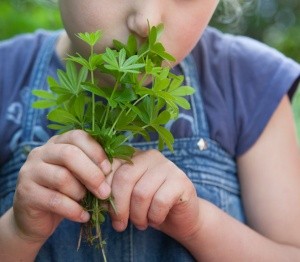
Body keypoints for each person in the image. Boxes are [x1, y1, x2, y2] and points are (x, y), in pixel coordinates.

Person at [1, 0, 300, 261]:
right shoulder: (7, 76)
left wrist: (199, 226)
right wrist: (18, 232)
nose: (147, 21)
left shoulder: (250, 84)